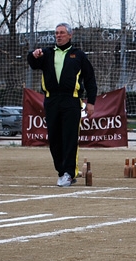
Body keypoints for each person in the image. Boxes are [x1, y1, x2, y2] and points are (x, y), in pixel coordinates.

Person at [27, 22, 97, 187]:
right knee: (54, 138)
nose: (58, 35)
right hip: (51, 100)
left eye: (62, 33)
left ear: (70, 35)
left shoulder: (78, 55)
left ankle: (69, 173)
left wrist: (91, 102)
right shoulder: (47, 52)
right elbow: (33, 63)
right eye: (56, 33)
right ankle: (61, 171)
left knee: (70, 138)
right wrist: (33, 54)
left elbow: (90, 79)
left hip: (71, 101)